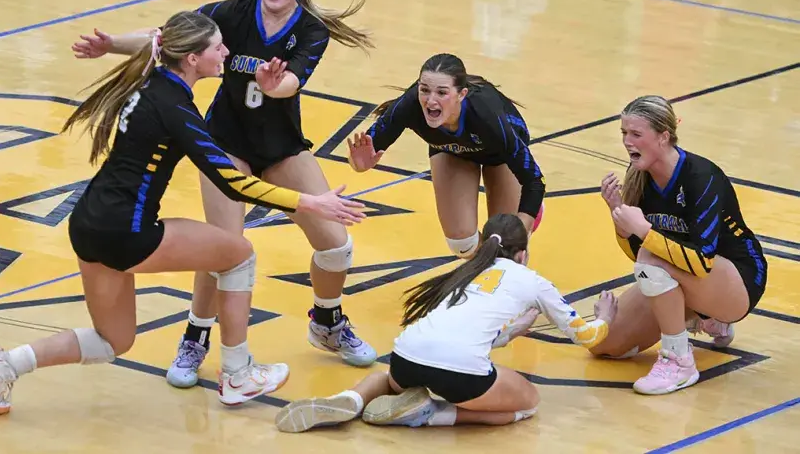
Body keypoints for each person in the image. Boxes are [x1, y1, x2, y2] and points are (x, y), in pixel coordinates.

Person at [0, 11, 368, 415]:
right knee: (238, 254)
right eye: (218, 47)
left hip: (88, 222)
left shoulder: (151, 83)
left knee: (112, 341)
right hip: (127, 231)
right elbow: (233, 182)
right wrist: (310, 202)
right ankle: (238, 372)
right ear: (192, 58)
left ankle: (2, 366)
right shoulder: (176, 108)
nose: (226, 52)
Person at [70, 0, 378, 392]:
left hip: (281, 148)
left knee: (336, 246)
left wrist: (272, 86)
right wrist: (112, 44)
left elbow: (291, 83)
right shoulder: (230, 13)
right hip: (226, 144)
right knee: (222, 248)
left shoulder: (311, 31)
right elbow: (167, 39)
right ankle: (195, 338)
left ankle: (327, 322)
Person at [273, 213, 619, 432]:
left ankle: (350, 398)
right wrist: (604, 318)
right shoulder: (533, 280)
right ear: (522, 254)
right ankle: (430, 414)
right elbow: (587, 336)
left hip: (405, 360)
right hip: (459, 374)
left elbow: (458, 331)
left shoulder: (465, 271)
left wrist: (512, 331)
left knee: (386, 377)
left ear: (483, 244)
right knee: (527, 403)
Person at [591, 95, 768, 395]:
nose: (627, 142)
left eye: (636, 134)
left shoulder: (702, 177)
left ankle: (679, 360)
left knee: (653, 258)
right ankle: (701, 315)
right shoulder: (640, 177)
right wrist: (619, 219)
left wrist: (643, 229)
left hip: (739, 279)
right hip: (682, 274)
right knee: (605, 344)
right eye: (624, 133)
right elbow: (638, 256)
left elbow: (700, 260)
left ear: (663, 136)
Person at [347, 53, 546, 261]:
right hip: (453, 151)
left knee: (508, 249)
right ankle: (489, 261)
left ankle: (533, 213)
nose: (431, 101)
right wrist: (358, 164)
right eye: (424, 90)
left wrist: (522, 225)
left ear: (461, 94)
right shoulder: (409, 105)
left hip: (499, 155)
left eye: (442, 93)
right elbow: (363, 154)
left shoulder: (487, 117)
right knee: (462, 245)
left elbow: (534, 181)